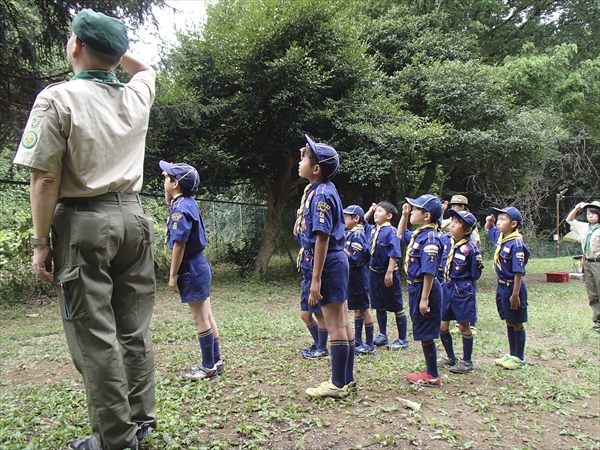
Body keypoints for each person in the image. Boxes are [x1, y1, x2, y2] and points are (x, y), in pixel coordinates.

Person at [13, 10, 156, 450]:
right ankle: (140, 420)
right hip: (135, 219)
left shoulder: (58, 98)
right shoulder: (137, 95)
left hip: (84, 222)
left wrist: (40, 244)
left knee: (95, 335)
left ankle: (114, 440)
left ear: (75, 46)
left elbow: (46, 179)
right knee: (133, 328)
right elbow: (147, 68)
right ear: (115, 56)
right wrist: (115, 52)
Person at [295, 134, 354, 399]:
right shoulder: (321, 190)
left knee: (336, 325)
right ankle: (346, 380)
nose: (300, 156)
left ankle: (338, 384)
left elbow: (322, 237)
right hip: (334, 261)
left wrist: (316, 278)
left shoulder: (321, 195)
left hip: (328, 263)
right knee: (342, 323)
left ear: (316, 168)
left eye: (305, 156)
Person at [161, 161, 225, 380]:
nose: (163, 177)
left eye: (167, 176)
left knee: (200, 319)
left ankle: (208, 366)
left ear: (176, 183)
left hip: (191, 267)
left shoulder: (180, 208)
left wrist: (172, 275)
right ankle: (216, 361)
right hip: (199, 264)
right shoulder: (187, 202)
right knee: (206, 315)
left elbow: (179, 244)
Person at [397, 194, 443, 387]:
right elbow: (400, 235)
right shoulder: (420, 234)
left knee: (426, 332)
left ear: (427, 216)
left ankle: (432, 375)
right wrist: (405, 215)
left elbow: (429, 271)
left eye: (415, 209)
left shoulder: (430, 238)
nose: (412, 210)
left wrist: (424, 299)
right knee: (423, 331)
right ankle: (430, 371)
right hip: (417, 287)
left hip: (426, 288)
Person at [438, 210, 483, 374]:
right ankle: (450, 357)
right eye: (452, 221)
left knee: (464, 326)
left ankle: (467, 361)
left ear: (467, 230)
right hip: (446, 288)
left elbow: (475, 274)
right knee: (442, 326)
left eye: (457, 223)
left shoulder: (470, 249)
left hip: (462, 290)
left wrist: (463, 287)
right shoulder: (446, 242)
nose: (452, 225)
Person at [485, 207, 530, 369]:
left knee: (517, 321)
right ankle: (512, 354)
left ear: (514, 223)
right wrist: (489, 222)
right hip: (502, 286)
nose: (498, 222)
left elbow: (519, 271)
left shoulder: (516, 243)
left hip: (513, 287)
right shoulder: (503, 238)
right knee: (509, 321)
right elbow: (490, 230)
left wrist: (516, 294)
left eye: (503, 219)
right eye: (499, 219)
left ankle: (520, 357)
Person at [367, 202, 409, 351]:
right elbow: (361, 221)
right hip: (373, 273)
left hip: (387, 273)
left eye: (379, 211)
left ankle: (402, 338)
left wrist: (390, 271)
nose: (376, 214)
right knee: (379, 305)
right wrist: (370, 210)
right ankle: (382, 334)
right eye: (375, 211)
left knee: (396, 305)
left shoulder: (391, 231)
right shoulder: (372, 230)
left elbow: (394, 252)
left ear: (389, 216)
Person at [342, 205, 375, 354]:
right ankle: (358, 340)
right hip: (352, 276)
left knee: (364, 308)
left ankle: (369, 344)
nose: (343, 219)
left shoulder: (358, 235)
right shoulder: (350, 233)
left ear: (356, 219)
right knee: (357, 309)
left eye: (346, 216)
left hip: (358, 275)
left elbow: (355, 259)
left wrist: (340, 249)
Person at [566, 201, 600, 332]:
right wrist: (577, 208)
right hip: (588, 263)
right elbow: (569, 220)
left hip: (599, 262)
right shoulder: (585, 227)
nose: (589, 216)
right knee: (593, 294)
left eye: (593, 213)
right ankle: (598, 322)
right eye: (588, 213)